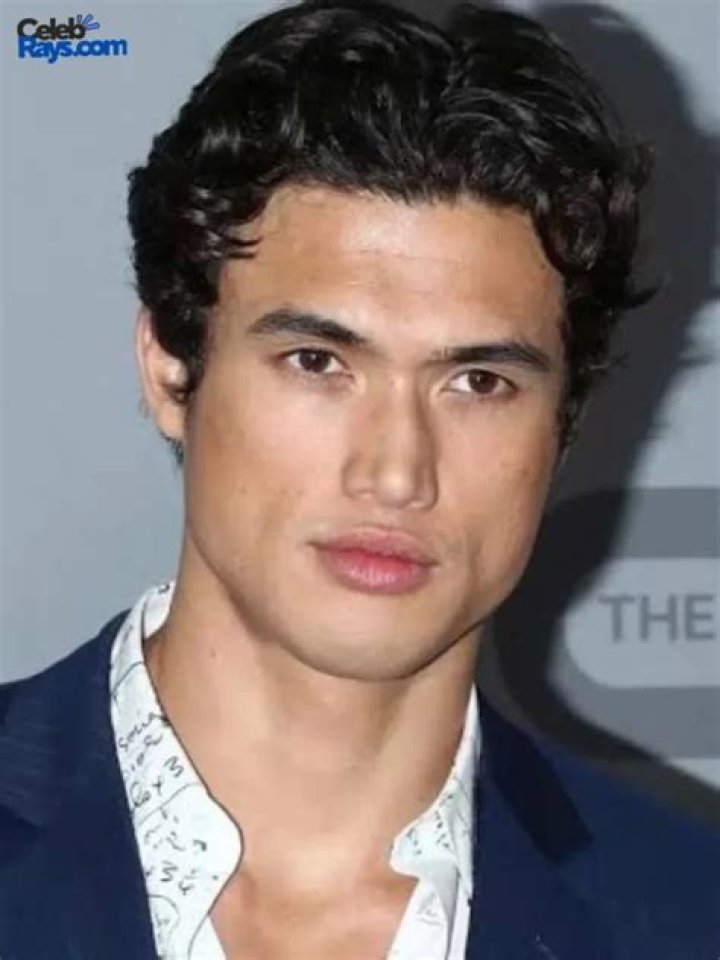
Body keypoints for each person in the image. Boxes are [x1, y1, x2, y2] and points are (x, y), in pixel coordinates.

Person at [0, 1, 717, 957]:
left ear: (564, 422)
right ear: (171, 368)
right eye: (318, 362)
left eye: (478, 382)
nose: (396, 472)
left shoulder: (689, 913)